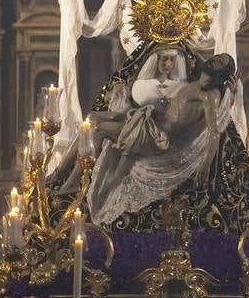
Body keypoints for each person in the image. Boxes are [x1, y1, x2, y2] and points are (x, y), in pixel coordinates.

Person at [87, 53, 237, 225]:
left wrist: (205, 165)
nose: (215, 59)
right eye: (217, 57)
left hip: (156, 136)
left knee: (98, 130)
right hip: (151, 119)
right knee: (92, 117)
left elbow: (214, 131)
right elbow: (200, 59)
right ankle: (74, 180)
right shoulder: (199, 82)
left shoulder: (211, 95)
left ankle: (86, 177)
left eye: (220, 62)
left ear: (223, 73)